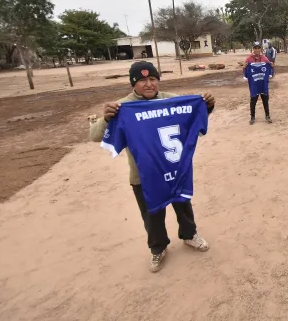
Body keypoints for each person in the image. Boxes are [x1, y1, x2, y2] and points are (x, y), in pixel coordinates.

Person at [89, 61, 216, 273]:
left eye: (153, 79)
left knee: (183, 205)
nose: (149, 84)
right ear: (133, 84)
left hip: (176, 171)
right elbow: (94, 136)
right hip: (144, 176)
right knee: (152, 215)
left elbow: (194, 123)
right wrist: (105, 119)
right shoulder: (122, 107)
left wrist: (207, 107)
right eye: (142, 80)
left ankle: (189, 235)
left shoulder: (172, 100)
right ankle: (158, 248)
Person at [244, 41, 273, 125]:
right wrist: (245, 67)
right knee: (253, 101)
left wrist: (271, 66)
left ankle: (267, 116)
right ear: (253, 49)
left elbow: (269, 67)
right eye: (255, 48)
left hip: (263, 84)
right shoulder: (249, 59)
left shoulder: (264, 58)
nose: (257, 50)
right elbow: (245, 69)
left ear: (260, 49)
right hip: (254, 85)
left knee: (265, 100)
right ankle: (252, 117)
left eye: (258, 48)